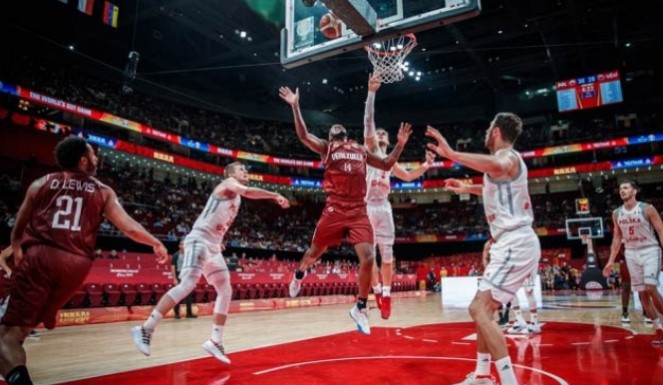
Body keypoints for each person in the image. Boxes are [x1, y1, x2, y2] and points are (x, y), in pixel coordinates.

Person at [0, 136, 169, 385]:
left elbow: (18, 226)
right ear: (83, 160)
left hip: (43, 257)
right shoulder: (102, 191)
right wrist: (155, 241)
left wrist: (16, 247)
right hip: (77, 267)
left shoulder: (41, 183)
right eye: (93, 154)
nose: (96, 158)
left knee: (7, 336)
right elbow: (129, 228)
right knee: (21, 332)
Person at [279, 85, 410, 335]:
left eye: (337, 127)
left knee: (369, 258)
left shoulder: (360, 150)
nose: (335, 128)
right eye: (331, 128)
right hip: (335, 209)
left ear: (346, 133)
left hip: (359, 210)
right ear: (330, 135)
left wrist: (400, 145)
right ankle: (299, 274)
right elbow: (304, 135)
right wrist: (295, 106)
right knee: (315, 252)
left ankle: (361, 307)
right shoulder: (327, 148)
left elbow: (387, 163)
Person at [132, 161, 289, 363]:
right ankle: (146, 328)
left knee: (225, 289)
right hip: (199, 239)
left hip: (213, 246)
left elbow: (220, 219)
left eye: (245, 170)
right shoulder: (229, 183)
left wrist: (219, 241)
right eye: (242, 169)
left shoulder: (237, 198)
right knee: (188, 283)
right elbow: (249, 191)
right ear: (231, 173)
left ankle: (215, 341)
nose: (245, 172)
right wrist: (275, 195)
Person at [427, 112, 540, 385]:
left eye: (489, 128)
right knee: (483, 310)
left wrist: (452, 153)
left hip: (515, 241)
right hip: (510, 243)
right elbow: (493, 185)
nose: (486, 133)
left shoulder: (508, 157)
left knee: (478, 309)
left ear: (497, 132)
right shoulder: (502, 168)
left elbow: (499, 166)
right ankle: (481, 374)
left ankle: (508, 380)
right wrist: (468, 187)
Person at [362, 73, 434, 319]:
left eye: (384, 134)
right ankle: (378, 290)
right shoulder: (370, 150)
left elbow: (409, 177)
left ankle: (388, 294)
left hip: (384, 207)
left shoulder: (390, 162)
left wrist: (426, 165)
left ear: (389, 140)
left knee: (388, 256)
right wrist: (372, 93)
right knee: (370, 256)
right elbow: (369, 122)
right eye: (378, 133)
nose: (380, 134)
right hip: (367, 206)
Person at [602, 180, 663, 344]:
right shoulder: (616, 213)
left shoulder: (647, 208)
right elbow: (617, 238)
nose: (622, 190)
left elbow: (660, 230)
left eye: (626, 188)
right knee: (642, 293)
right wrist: (610, 261)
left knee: (651, 288)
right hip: (631, 252)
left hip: (650, 249)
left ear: (634, 191)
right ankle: (658, 329)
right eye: (620, 188)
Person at [171, 240, 196, 319]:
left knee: (188, 295)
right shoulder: (176, 255)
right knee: (178, 295)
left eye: (185, 244)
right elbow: (173, 267)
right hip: (179, 275)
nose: (184, 246)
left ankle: (189, 313)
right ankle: (177, 313)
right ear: (179, 246)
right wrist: (175, 278)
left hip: (187, 276)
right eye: (182, 244)